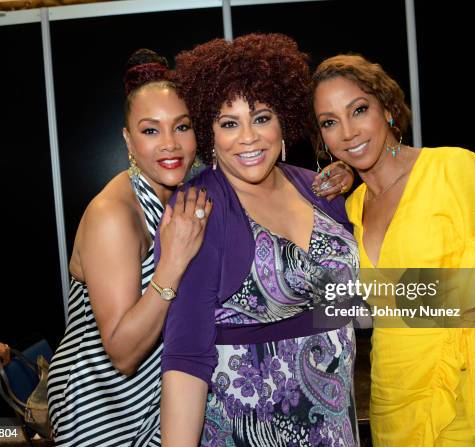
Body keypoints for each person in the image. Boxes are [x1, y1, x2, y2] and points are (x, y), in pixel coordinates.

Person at [311, 54, 475, 446]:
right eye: (330, 122)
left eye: (359, 110)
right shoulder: (351, 207)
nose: (348, 132)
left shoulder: (455, 168)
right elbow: (360, 309)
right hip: (391, 401)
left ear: (387, 109)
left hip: (462, 396)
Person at [154, 33, 363, 447]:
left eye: (262, 117)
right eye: (229, 123)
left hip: (336, 430)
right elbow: (186, 358)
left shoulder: (317, 188)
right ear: (209, 132)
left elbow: (363, 296)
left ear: (283, 119)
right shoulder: (200, 208)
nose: (249, 137)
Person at [46, 49, 213, 447]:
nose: (170, 145)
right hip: (99, 408)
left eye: (182, 127)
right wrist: (171, 264)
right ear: (128, 139)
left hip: (158, 399)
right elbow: (121, 351)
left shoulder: (187, 190)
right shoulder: (114, 215)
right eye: (150, 130)